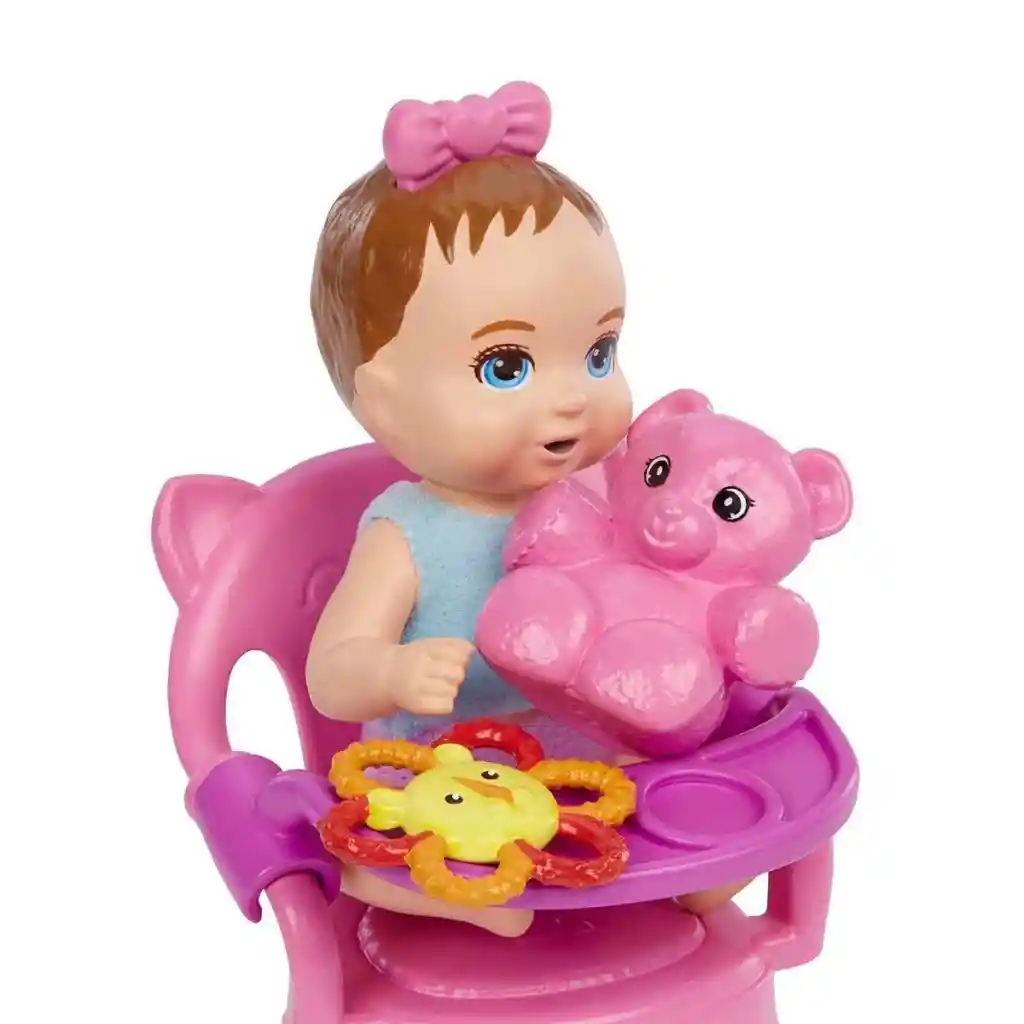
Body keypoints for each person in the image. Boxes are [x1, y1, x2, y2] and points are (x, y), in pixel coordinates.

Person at [306, 81, 745, 936]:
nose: (574, 398)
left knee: (686, 793)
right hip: (447, 769)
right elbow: (333, 670)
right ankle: (475, 901)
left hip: (582, 747)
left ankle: (669, 871)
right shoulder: (408, 533)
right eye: (505, 367)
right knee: (391, 843)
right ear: (385, 402)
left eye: (598, 352)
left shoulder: (604, 492)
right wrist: (392, 672)